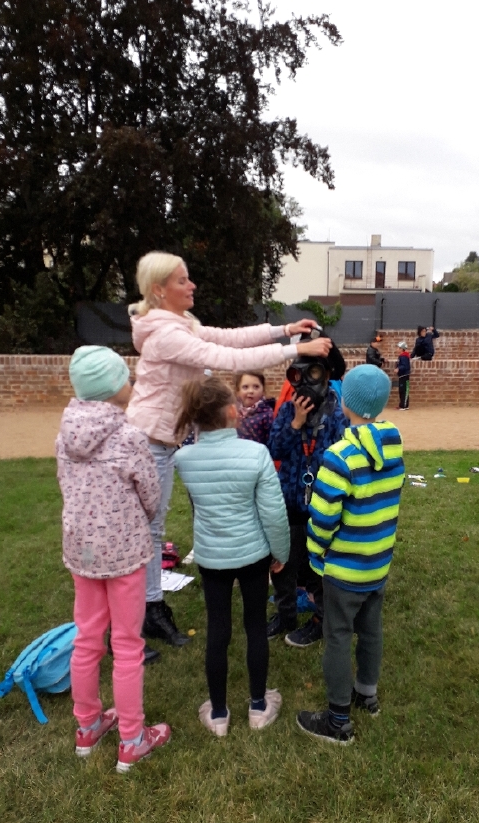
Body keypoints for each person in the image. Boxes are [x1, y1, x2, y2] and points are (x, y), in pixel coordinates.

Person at [126, 251, 331, 658]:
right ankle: (143, 612)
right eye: (182, 280)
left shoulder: (177, 323)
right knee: (146, 530)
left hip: (160, 439)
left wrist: (285, 330)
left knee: (151, 528)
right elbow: (229, 359)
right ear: (159, 290)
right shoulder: (166, 333)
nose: (192, 285)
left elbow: (229, 337)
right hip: (148, 440)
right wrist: (295, 351)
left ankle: (148, 606)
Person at [56, 346, 171, 773]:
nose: (131, 383)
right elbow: (150, 494)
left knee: (87, 639)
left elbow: (65, 484)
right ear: (109, 387)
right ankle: (132, 738)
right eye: (125, 376)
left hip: (82, 551)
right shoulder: (129, 437)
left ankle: (87, 725)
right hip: (124, 555)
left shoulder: (64, 435)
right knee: (126, 644)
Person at [174, 377, 290, 736]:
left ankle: (219, 713)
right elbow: (274, 513)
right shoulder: (255, 454)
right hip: (253, 554)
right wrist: (281, 552)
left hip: (212, 557)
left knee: (218, 629)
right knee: (255, 625)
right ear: (231, 411)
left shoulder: (184, 459)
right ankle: (258, 706)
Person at [296, 364, 405, 744]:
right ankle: (366, 694)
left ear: (345, 403)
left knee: (339, 635)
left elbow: (323, 517)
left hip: (344, 569)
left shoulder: (339, 457)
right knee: (371, 630)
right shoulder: (394, 445)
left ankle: (338, 720)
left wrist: (315, 554)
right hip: (378, 563)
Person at [267, 334, 349, 648]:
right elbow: (275, 448)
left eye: (313, 373)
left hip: (321, 504)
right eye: (298, 375)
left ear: (326, 375)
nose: (305, 383)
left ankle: (321, 619)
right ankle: (285, 614)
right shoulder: (288, 411)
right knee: (284, 565)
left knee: (318, 566)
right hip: (290, 501)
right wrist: (297, 423)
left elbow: (339, 455)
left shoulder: (336, 413)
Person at [235, 372, 275, 445]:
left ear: (263, 391)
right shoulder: (233, 412)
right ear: (238, 391)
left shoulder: (267, 414)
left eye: (256, 387)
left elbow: (272, 441)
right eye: (245, 387)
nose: (251, 391)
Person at [394, 341, 411, 410]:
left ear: (401, 349)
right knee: (402, 390)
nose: (397, 349)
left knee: (404, 390)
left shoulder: (404, 356)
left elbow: (405, 366)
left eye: (398, 347)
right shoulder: (402, 356)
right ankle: (402, 404)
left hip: (404, 375)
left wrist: (398, 368)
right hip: (402, 375)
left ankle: (404, 405)